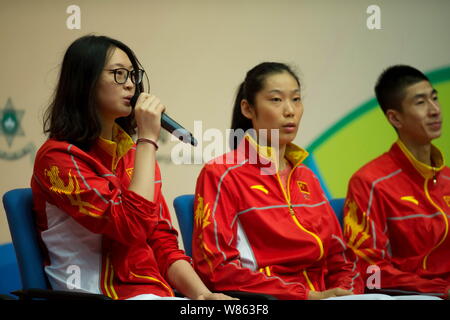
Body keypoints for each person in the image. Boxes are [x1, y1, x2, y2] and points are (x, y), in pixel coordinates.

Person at [31, 34, 234, 300]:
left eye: (132, 76)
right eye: (118, 74)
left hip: (151, 293)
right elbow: (131, 227)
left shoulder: (130, 152)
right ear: (85, 82)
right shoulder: (57, 158)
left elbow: (159, 237)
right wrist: (148, 139)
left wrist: (203, 296)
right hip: (98, 294)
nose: (130, 86)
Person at [192, 62, 368, 300]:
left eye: (296, 99)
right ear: (248, 109)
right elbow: (216, 269)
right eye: (276, 100)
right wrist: (307, 296)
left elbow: (341, 258)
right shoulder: (221, 173)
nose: (290, 110)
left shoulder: (306, 176)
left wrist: (347, 294)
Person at [343, 65, 450, 299]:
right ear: (395, 117)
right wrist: (439, 290)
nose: (435, 110)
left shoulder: (447, 177)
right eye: (420, 103)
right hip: (415, 295)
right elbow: (368, 271)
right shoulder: (370, 182)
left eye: (434, 98)